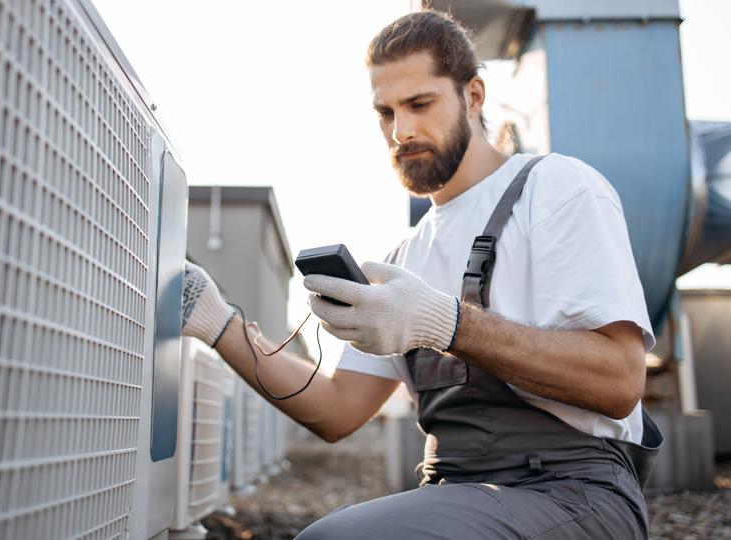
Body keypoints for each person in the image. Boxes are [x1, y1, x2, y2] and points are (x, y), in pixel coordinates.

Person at [181, 9, 662, 539]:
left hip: (578, 493)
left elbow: (621, 380)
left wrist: (444, 322)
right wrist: (218, 322)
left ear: (473, 96)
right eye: (384, 112)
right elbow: (336, 409)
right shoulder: (407, 253)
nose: (400, 131)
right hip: (458, 492)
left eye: (419, 104)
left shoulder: (555, 188)